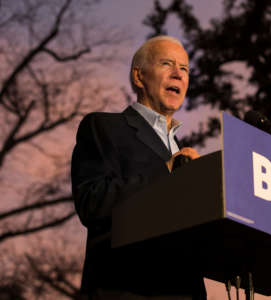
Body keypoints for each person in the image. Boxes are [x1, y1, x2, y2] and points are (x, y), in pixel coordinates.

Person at [71, 36, 205, 300]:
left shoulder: (184, 154)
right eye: (167, 64)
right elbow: (92, 202)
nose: (178, 74)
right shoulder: (103, 127)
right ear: (139, 76)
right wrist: (165, 172)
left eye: (185, 69)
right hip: (127, 290)